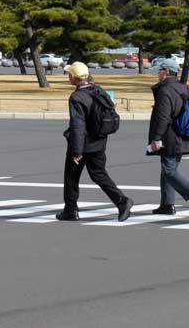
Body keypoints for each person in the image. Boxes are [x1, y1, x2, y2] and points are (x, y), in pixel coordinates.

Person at [56, 61, 133, 222]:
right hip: (99, 141)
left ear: (74, 78)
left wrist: (77, 151)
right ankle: (122, 201)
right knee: (99, 174)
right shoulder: (98, 90)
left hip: (83, 144)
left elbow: (77, 125)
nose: (68, 76)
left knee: (71, 177)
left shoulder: (77, 97)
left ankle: (70, 210)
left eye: (69, 74)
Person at [146, 62, 189, 217]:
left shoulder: (166, 90)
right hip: (184, 134)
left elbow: (163, 118)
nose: (158, 73)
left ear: (167, 71)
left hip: (170, 137)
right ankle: (167, 205)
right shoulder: (185, 89)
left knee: (168, 170)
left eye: (160, 70)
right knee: (168, 170)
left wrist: (156, 139)